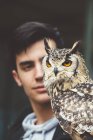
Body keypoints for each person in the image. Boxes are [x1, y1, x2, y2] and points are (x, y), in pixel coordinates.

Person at [8, 21, 93, 140]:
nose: (39, 74)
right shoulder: (14, 134)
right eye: (28, 66)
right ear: (17, 78)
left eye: (46, 62)